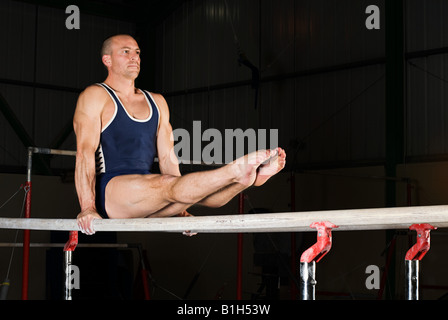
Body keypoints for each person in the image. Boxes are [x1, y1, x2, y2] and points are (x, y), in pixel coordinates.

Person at [73, 34, 286, 235]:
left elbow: (167, 157)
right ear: (107, 60)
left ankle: (246, 180)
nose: (134, 58)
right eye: (126, 52)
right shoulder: (95, 96)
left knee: (203, 195)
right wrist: (87, 207)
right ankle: (233, 171)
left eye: (137, 52)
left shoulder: (157, 102)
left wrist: (181, 208)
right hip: (112, 192)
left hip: (149, 189)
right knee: (168, 186)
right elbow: (84, 153)